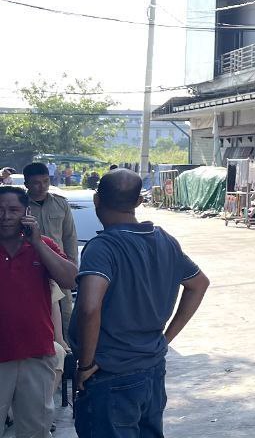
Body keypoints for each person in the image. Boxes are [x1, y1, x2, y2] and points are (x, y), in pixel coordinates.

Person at [71, 169, 210, 437]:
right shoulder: (165, 241)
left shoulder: (103, 248)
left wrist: (86, 365)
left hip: (110, 373)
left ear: (97, 200)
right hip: (151, 370)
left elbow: (89, 307)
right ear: (138, 202)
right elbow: (198, 284)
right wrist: (166, 338)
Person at [0, 185, 78, 438]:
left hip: (36, 353)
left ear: (27, 211)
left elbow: (70, 280)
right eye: (0, 210)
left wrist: (36, 241)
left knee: (36, 429)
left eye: (13, 210)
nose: (6, 216)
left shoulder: (43, 245)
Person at [22, 163, 77, 337]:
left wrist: (72, 265)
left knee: (66, 314)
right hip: (31, 267)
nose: (42, 186)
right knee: (38, 312)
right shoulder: (20, 206)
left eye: (45, 181)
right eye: (36, 182)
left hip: (59, 266)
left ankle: (67, 356)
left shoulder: (61, 204)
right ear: (27, 184)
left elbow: (69, 237)